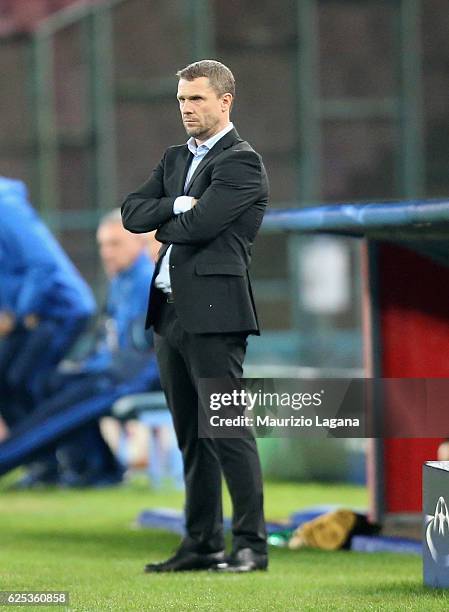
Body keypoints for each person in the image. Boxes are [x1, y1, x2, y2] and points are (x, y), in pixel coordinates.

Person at [122, 60, 269, 573]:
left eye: (197, 99)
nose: (187, 108)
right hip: (168, 316)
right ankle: (202, 542)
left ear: (225, 101)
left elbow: (200, 225)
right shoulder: (172, 158)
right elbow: (130, 213)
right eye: (182, 99)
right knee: (191, 435)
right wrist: (176, 204)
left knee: (226, 431)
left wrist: (168, 215)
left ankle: (250, 545)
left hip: (215, 315)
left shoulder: (241, 163)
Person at [0, 209, 161, 486]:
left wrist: (98, 369)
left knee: (56, 415)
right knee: (52, 383)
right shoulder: (122, 280)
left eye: (115, 244)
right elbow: (109, 338)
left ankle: (11, 459)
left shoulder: (148, 280)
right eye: (102, 244)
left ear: (140, 242)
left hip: (130, 376)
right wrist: (85, 366)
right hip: (111, 372)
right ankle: (95, 468)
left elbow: (137, 350)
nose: (107, 252)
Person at [0, 176, 95, 485]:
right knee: (10, 381)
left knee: (28, 381)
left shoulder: (5, 204)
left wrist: (18, 313)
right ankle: (43, 464)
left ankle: (78, 464)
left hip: (59, 311)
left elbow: (41, 264)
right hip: (32, 314)